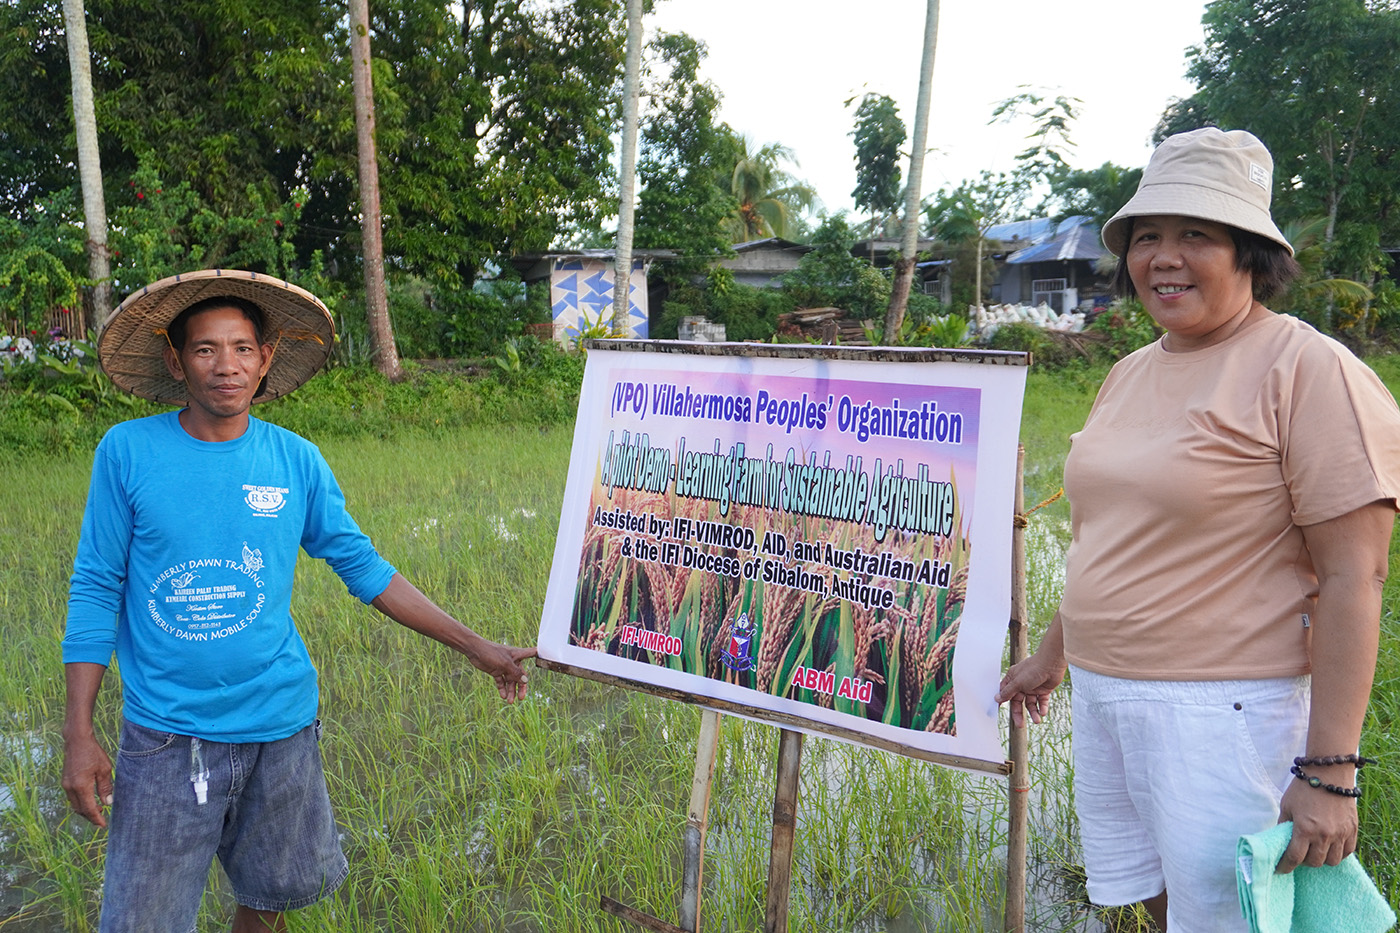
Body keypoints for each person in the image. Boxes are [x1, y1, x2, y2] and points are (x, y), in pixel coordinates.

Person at [995, 128, 1400, 931]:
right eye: (1148, 237)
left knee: (1233, 918)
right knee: (1153, 900)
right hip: (1108, 700)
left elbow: (1357, 577)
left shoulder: (1306, 369)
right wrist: (1052, 654)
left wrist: (1329, 772)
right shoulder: (1129, 371)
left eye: (1196, 235)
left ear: (1250, 253)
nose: (1165, 257)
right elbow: (1107, 540)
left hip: (1223, 715)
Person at [61, 270, 537, 933]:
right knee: (141, 919)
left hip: (281, 729)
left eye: (242, 348)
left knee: (268, 899)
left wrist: (479, 647)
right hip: (167, 736)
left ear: (265, 360)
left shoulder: (296, 461)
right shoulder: (128, 453)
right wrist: (77, 732)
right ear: (176, 360)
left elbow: (364, 568)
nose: (225, 365)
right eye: (205, 348)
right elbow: (95, 586)